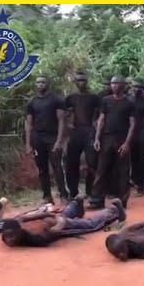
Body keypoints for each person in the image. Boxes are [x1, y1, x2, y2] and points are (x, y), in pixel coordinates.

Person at [89, 76, 136, 209]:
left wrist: (127, 143)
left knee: (123, 171)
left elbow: (132, 124)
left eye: (117, 83)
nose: (114, 85)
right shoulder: (106, 101)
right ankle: (96, 200)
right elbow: (101, 120)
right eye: (112, 83)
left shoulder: (129, 102)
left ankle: (122, 200)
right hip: (107, 139)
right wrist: (97, 138)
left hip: (122, 139)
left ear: (123, 85)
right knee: (101, 169)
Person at [1, 197, 122, 247]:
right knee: (65, 215)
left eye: (12, 236)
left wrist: (52, 216)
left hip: (57, 223)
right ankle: (76, 204)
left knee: (91, 225)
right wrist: (56, 218)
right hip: (55, 222)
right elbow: (21, 219)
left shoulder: (34, 237)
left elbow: (56, 229)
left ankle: (113, 210)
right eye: (7, 237)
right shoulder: (15, 227)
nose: (10, 239)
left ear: (19, 231)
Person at [25, 75, 68, 204]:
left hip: (53, 137)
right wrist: (28, 143)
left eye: (43, 82)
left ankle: (64, 195)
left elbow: (61, 121)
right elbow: (29, 124)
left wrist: (59, 141)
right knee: (42, 168)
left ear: (48, 83)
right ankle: (47, 196)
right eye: (38, 82)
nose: (40, 84)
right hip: (38, 138)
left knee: (57, 166)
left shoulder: (57, 100)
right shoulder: (32, 102)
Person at [64, 71, 101, 199]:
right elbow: (64, 113)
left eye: (84, 80)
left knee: (92, 162)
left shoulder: (94, 97)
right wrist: (68, 124)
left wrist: (96, 123)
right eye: (79, 80)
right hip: (76, 132)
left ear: (87, 82)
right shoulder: (70, 98)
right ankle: (73, 192)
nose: (81, 83)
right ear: (75, 82)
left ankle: (90, 191)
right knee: (71, 162)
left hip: (90, 131)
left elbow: (101, 113)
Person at [128, 78, 144, 196]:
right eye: (135, 86)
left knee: (142, 159)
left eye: (140, 87)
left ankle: (141, 185)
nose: (137, 89)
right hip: (130, 133)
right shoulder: (128, 100)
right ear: (132, 87)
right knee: (132, 159)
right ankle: (133, 181)